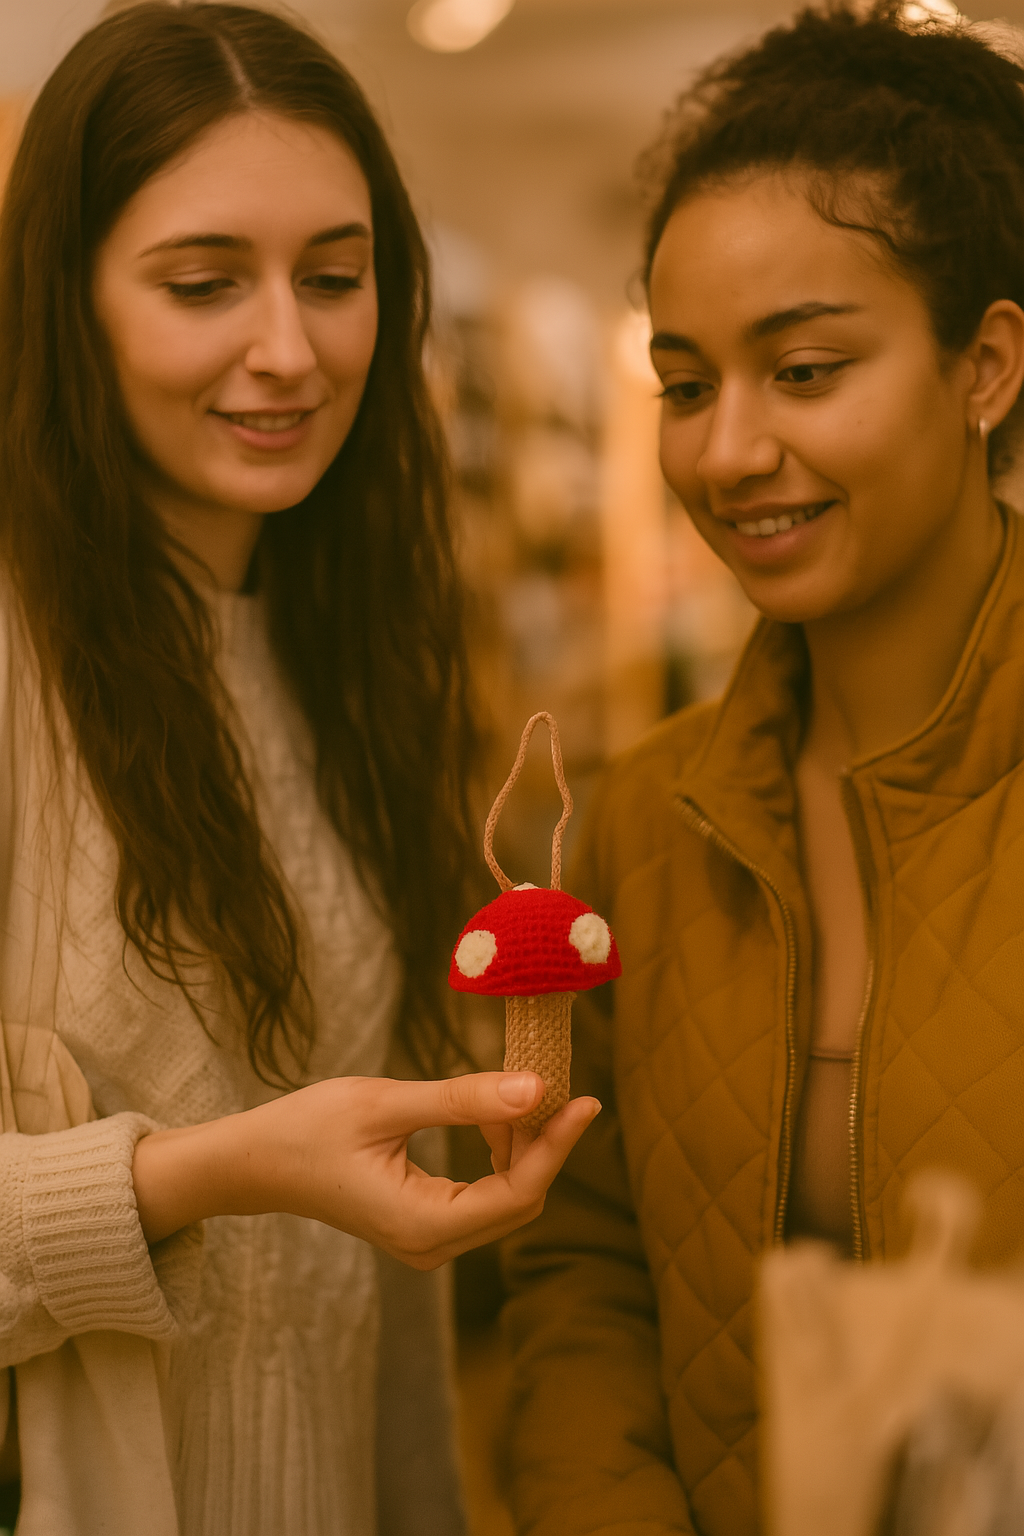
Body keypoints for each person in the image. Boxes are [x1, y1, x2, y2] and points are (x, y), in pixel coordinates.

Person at [0, 4, 600, 1534]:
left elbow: (363, 1316)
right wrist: (212, 1173)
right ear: (68, 302)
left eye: (334, 278)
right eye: (203, 283)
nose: (289, 349)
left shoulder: (346, 651)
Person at [503, 4, 1024, 1533]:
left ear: (987, 363)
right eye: (685, 384)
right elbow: (588, 1262)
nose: (727, 452)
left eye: (803, 371)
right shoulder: (642, 820)